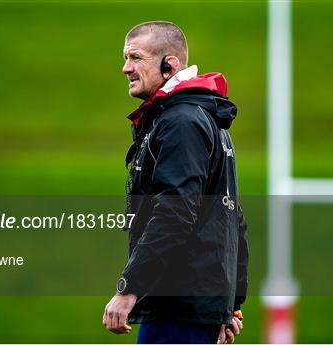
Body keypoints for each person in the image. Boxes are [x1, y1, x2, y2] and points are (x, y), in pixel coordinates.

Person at [103, 21, 249, 344]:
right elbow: (233, 218)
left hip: (177, 312)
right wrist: (230, 307)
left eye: (135, 58)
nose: (125, 68)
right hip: (193, 311)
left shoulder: (180, 122)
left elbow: (174, 215)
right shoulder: (206, 118)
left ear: (169, 64)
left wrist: (129, 288)